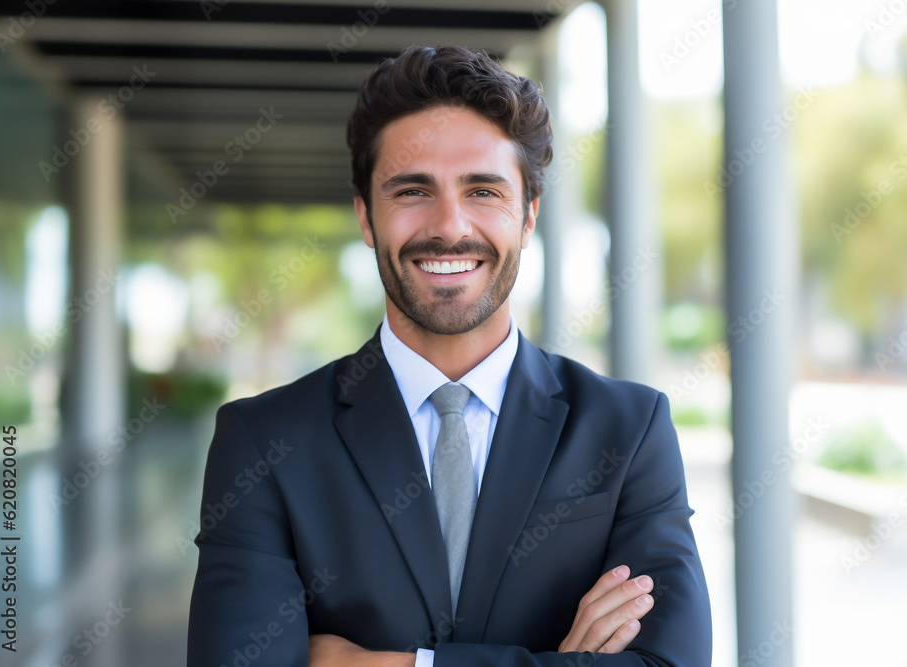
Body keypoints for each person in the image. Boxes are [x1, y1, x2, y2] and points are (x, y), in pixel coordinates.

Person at [187, 44, 711, 667]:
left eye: (483, 190)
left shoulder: (628, 429)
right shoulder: (264, 440)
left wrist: (383, 664)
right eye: (412, 191)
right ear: (365, 217)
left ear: (528, 218)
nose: (450, 226)